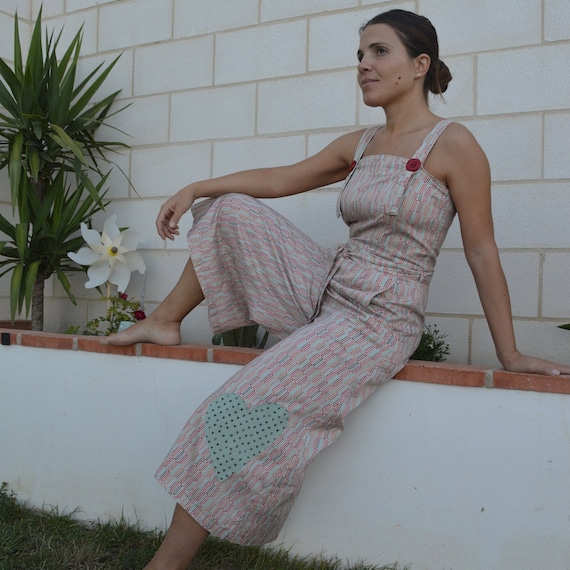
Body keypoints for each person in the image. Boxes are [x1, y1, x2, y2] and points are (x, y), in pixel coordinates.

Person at [103, 9, 570, 569]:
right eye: (360, 55)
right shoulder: (363, 143)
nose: (364, 65)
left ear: (419, 64)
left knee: (236, 407)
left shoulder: (454, 145)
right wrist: (197, 186)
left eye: (379, 52)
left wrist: (509, 352)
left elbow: (481, 251)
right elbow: (281, 180)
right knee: (229, 210)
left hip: (378, 319)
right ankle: (164, 320)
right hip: (326, 286)